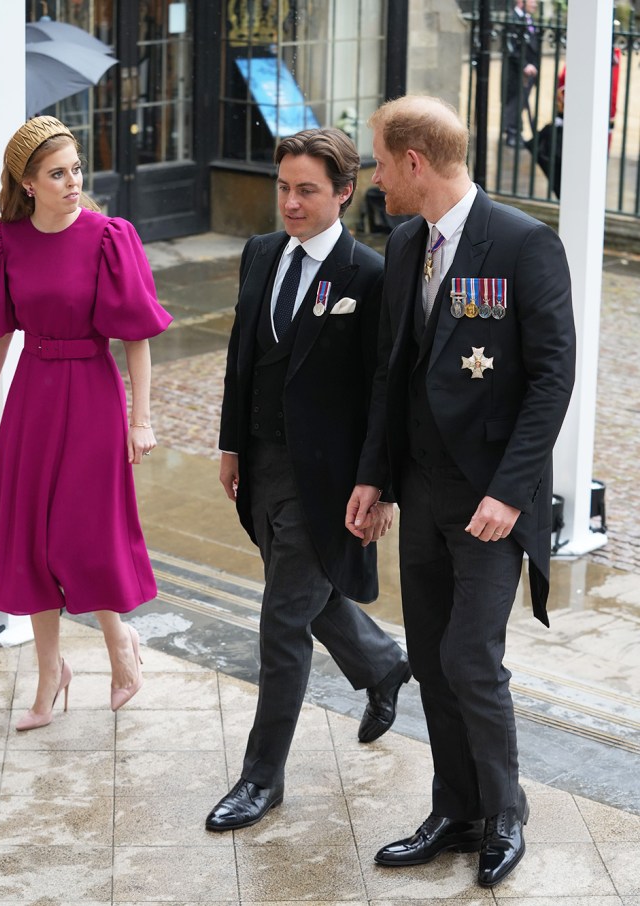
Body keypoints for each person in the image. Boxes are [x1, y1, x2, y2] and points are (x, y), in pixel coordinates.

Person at [345, 96, 575, 888]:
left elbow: (551, 380)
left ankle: (506, 812)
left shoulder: (523, 244)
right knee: (433, 661)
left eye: (379, 162)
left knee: (473, 659)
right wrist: (374, 476)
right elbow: (392, 373)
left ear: (414, 162)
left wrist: (512, 494)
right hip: (423, 493)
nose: (374, 180)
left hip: (489, 503)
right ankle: (457, 809)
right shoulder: (407, 241)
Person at [207, 127, 411, 832]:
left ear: (345, 194)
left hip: (327, 480)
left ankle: (262, 779)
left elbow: (386, 389)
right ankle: (383, 664)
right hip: (262, 464)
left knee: (283, 620)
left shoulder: (369, 275)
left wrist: (381, 485)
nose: (290, 203)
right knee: (308, 596)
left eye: (307, 191)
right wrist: (232, 442)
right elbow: (242, 356)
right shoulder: (260, 253)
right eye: (283, 188)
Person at [0, 116, 172, 730]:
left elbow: (136, 337)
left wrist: (142, 419)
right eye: (58, 174)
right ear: (28, 183)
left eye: (77, 169)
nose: (74, 181)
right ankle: (50, 674)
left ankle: (118, 646)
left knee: (83, 533)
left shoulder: (110, 237)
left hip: (93, 395)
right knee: (30, 535)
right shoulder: (4, 241)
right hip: (33, 393)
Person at [503, 0, 539, 148]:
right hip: (517, 70)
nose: (535, 4)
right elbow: (511, 47)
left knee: (522, 101)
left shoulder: (529, 19)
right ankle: (511, 133)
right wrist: (525, 65)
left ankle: (518, 131)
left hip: (530, 71)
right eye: (532, 0)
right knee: (515, 101)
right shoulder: (513, 19)